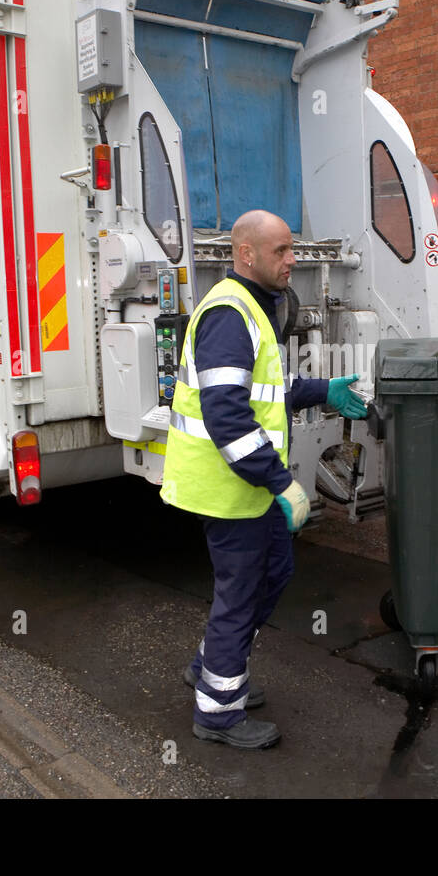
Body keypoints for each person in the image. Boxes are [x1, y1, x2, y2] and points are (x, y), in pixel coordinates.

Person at [160, 209, 368, 749]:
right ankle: (219, 712)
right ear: (246, 254)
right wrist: (280, 482)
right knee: (243, 590)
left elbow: (269, 388)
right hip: (229, 490)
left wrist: (323, 391)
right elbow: (227, 415)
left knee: (272, 572)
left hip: (243, 488)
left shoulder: (251, 309)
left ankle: (212, 670)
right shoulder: (229, 314)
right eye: (281, 251)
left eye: (293, 249)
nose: (293, 260)